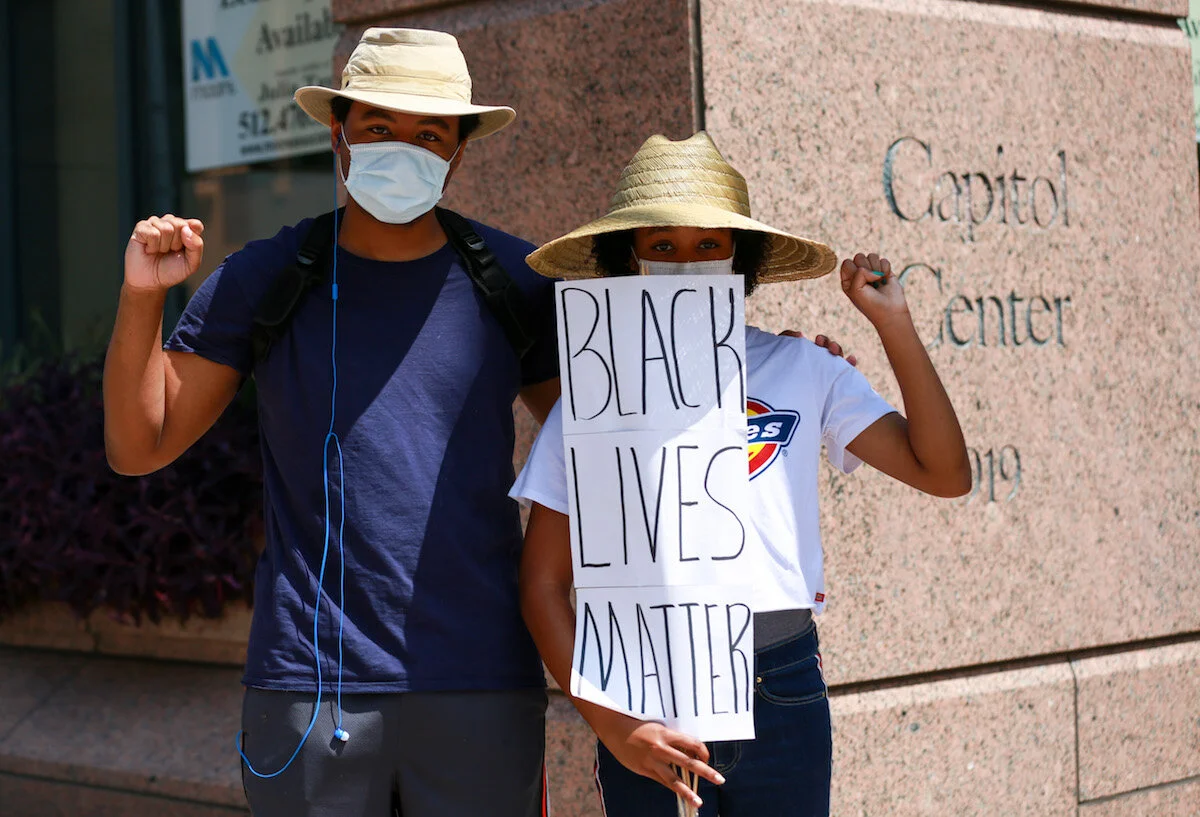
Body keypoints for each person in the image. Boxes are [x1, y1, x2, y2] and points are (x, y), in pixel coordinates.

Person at [103, 28, 562, 817]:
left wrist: (761, 372)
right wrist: (144, 296)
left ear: (458, 151)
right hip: (307, 692)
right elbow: (139, 445)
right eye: (380, 126)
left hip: (481, 684)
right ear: (338, 130)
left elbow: (610, 448)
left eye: (429, 133)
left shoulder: (515, 281)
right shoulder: (269, 276)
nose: (403, 148)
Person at [512, 132, 972, 816]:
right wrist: (613, 723)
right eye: (662, 245)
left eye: (709, 244)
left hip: (779, 684)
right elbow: (544, 582)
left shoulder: (804, 369)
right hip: (640, 690)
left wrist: (893, 325)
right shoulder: (593, 395)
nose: (687, 262)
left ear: (742, 256)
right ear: (628, 256)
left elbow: (945, 472)